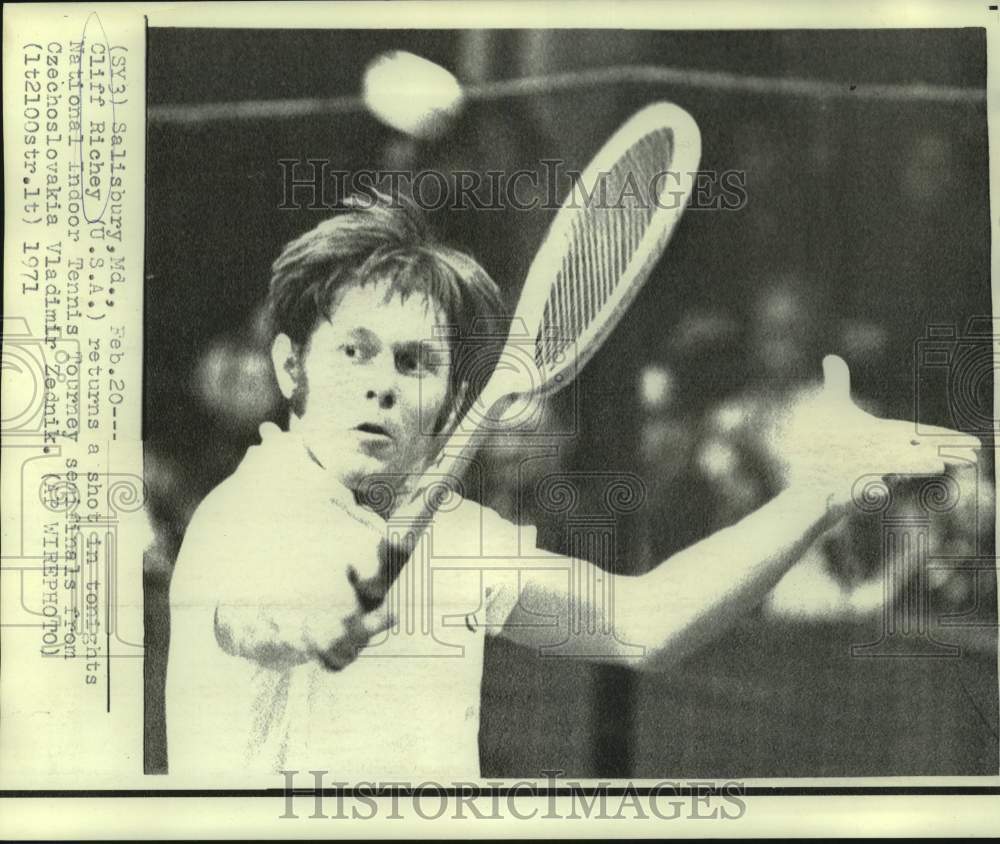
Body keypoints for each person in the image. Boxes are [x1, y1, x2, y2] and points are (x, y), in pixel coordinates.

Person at [165, 191, 980, 780]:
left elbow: (642, 624)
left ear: (453, 399)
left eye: (415, 362)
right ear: (289, 369)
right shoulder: (245, 513)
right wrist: (307, 626)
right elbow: (248, 617)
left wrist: (822, 495)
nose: (383, 384)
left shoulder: (458, 536)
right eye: (355, 351)